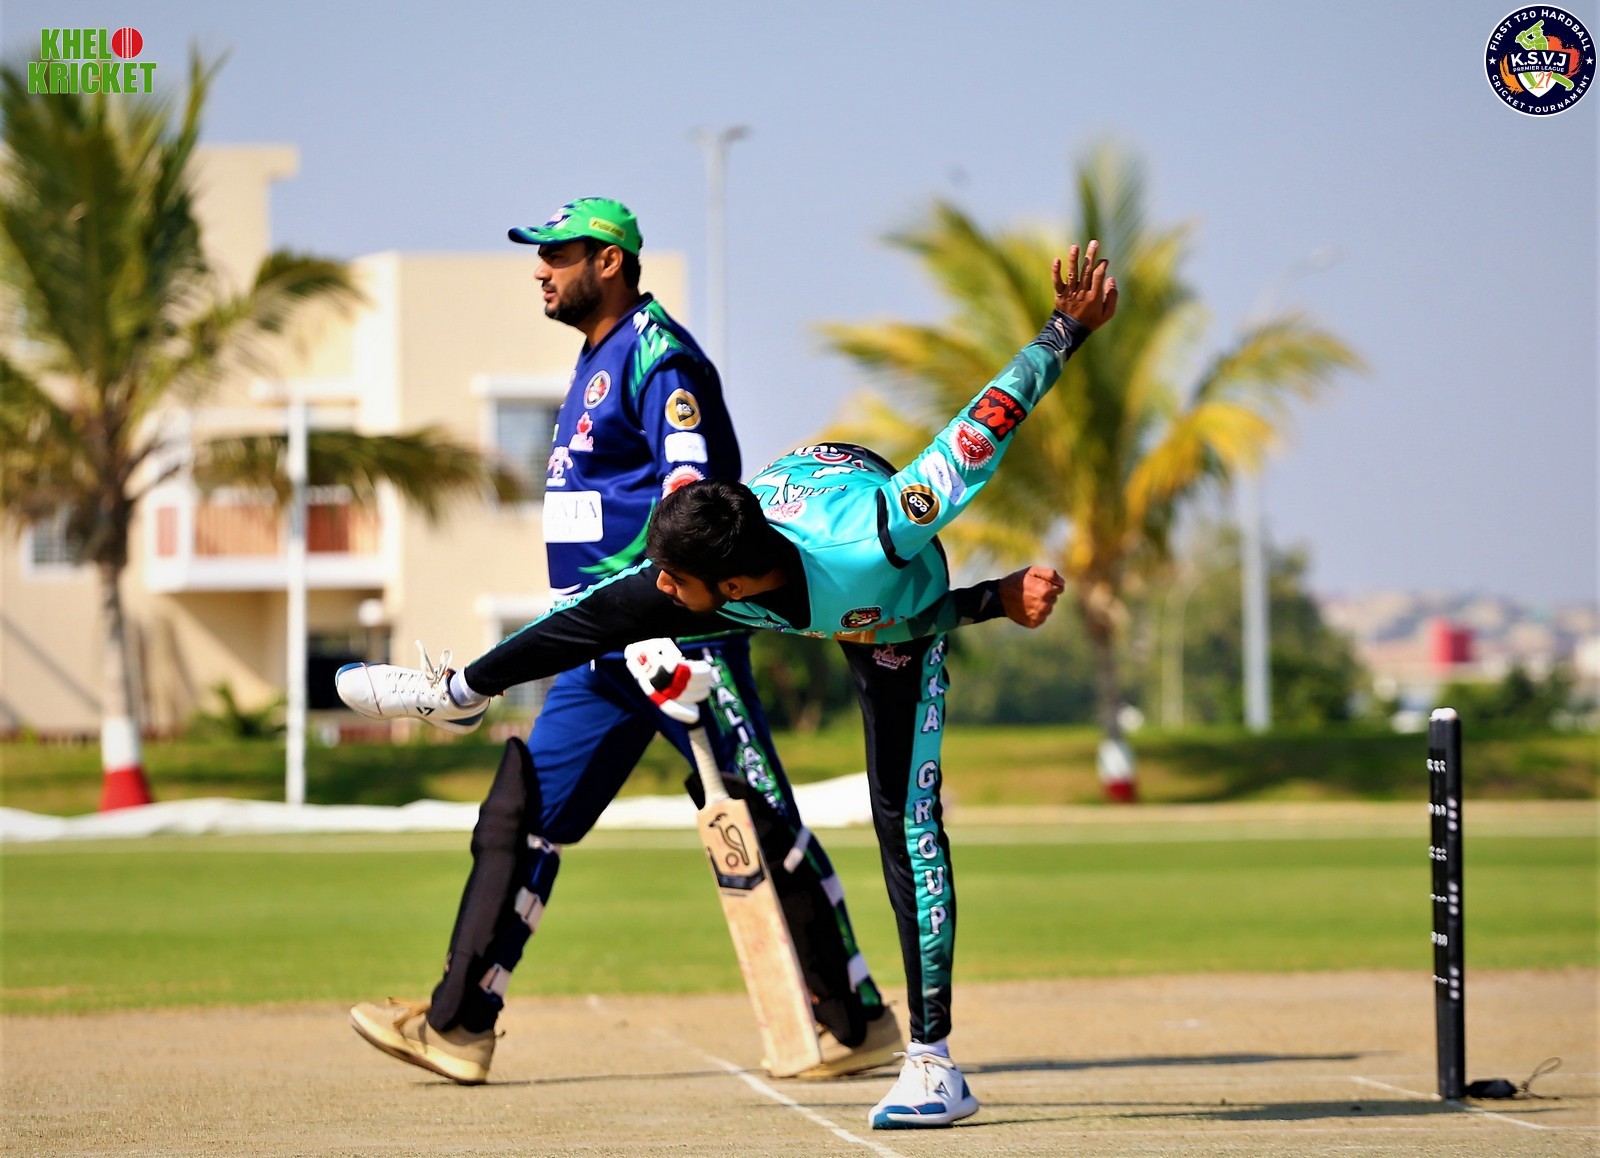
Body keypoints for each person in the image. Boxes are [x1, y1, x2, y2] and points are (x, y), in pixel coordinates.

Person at [339, 243, 1117, 1129]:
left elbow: (981, 429)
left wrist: (1065, 330)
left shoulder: (882, 532)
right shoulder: (697, 575)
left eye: (676, 584)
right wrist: (463, 687)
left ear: (734, 586)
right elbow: (583, 619)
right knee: (618, 620)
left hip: (890, 583)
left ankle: (933, 1065)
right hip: (804, 526)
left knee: (907, 822)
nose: (661, 592)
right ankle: (459, 705)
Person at [346, 198, 904, 1085]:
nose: (541, 269)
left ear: (609, 262)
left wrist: (671, 625)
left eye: (558, 253)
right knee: (520, 814)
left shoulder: (659, 356)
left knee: (759, 819)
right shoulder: (593, 359)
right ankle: (457, 1024)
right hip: (598, 651)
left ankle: (856, 1021)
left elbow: (695, 493)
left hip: (679, 643)